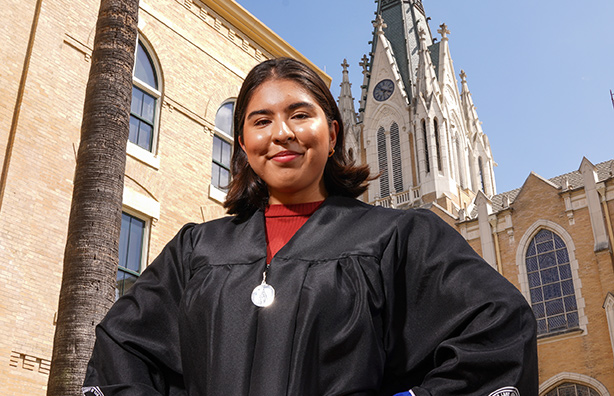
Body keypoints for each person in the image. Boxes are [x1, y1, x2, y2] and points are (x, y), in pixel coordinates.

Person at [83, 58, 538, 396]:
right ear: (243, 144)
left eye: (300, 115)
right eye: (261, 121)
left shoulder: (399, 238)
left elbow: (499, 329)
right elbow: (121, 348)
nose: (281, 132)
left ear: (333, 133)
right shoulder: (196, 249)